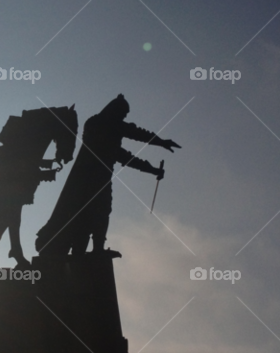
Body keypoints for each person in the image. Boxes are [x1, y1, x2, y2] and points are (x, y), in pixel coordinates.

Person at [35, 94, 180, 257]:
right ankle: (88, 249)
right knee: (96, 211)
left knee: (98, 211)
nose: (124, 118)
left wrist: (152, 168)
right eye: (123, 114)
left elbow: (125, 153)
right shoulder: (98, 124)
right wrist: (160, 143)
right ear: (115, 111)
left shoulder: (100, 127)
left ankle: (92, 249)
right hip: (88, 178)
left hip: (95, 178)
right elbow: (134, 135)